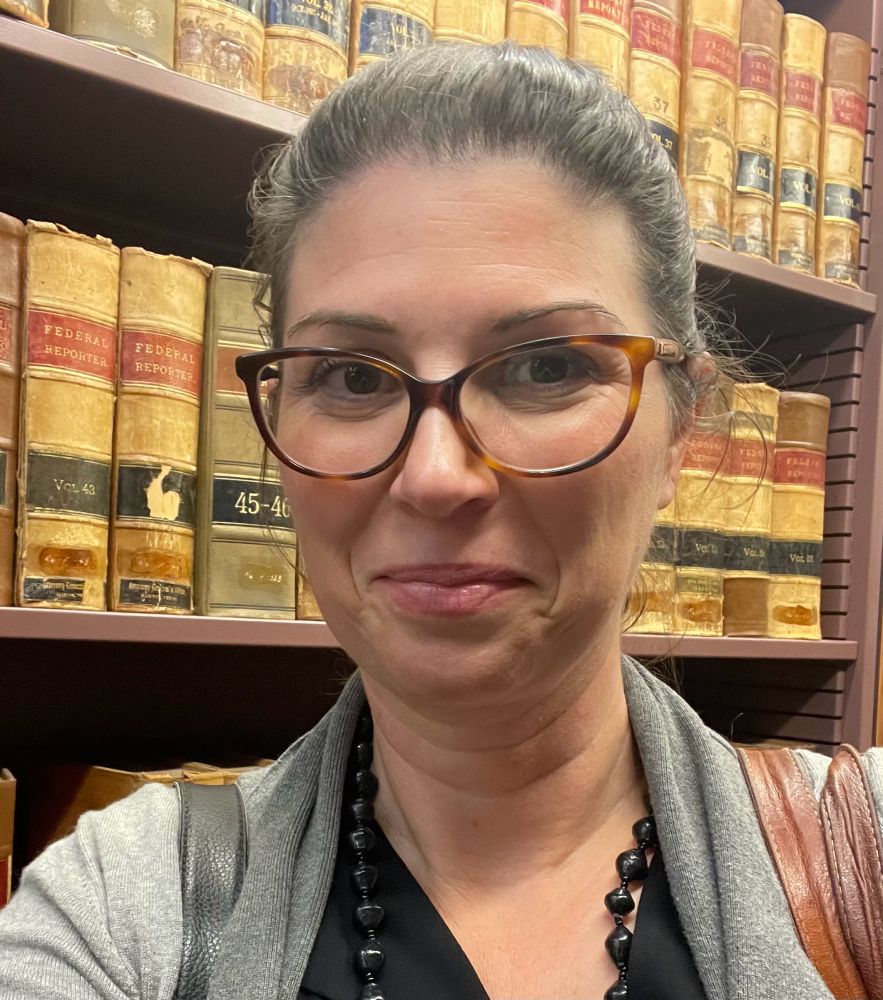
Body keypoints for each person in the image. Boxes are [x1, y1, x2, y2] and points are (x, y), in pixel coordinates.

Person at [0, 41, 880, 1000]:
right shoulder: (119, 909)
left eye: (546, 367)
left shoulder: (862, 859)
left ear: (680, 434)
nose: (434, 477)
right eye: (349, 378)